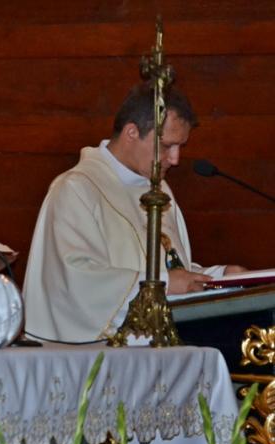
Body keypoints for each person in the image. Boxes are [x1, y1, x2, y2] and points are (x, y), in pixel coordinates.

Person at [22, 84, 245, 343]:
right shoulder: (76, 189)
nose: (175, 159)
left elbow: (170, 267)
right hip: (95, 356)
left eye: (180, 146)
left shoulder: (159, 188)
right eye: (167, 146)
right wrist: (163, 285)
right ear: (131, 132)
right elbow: (74, 283)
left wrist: (220, 276)